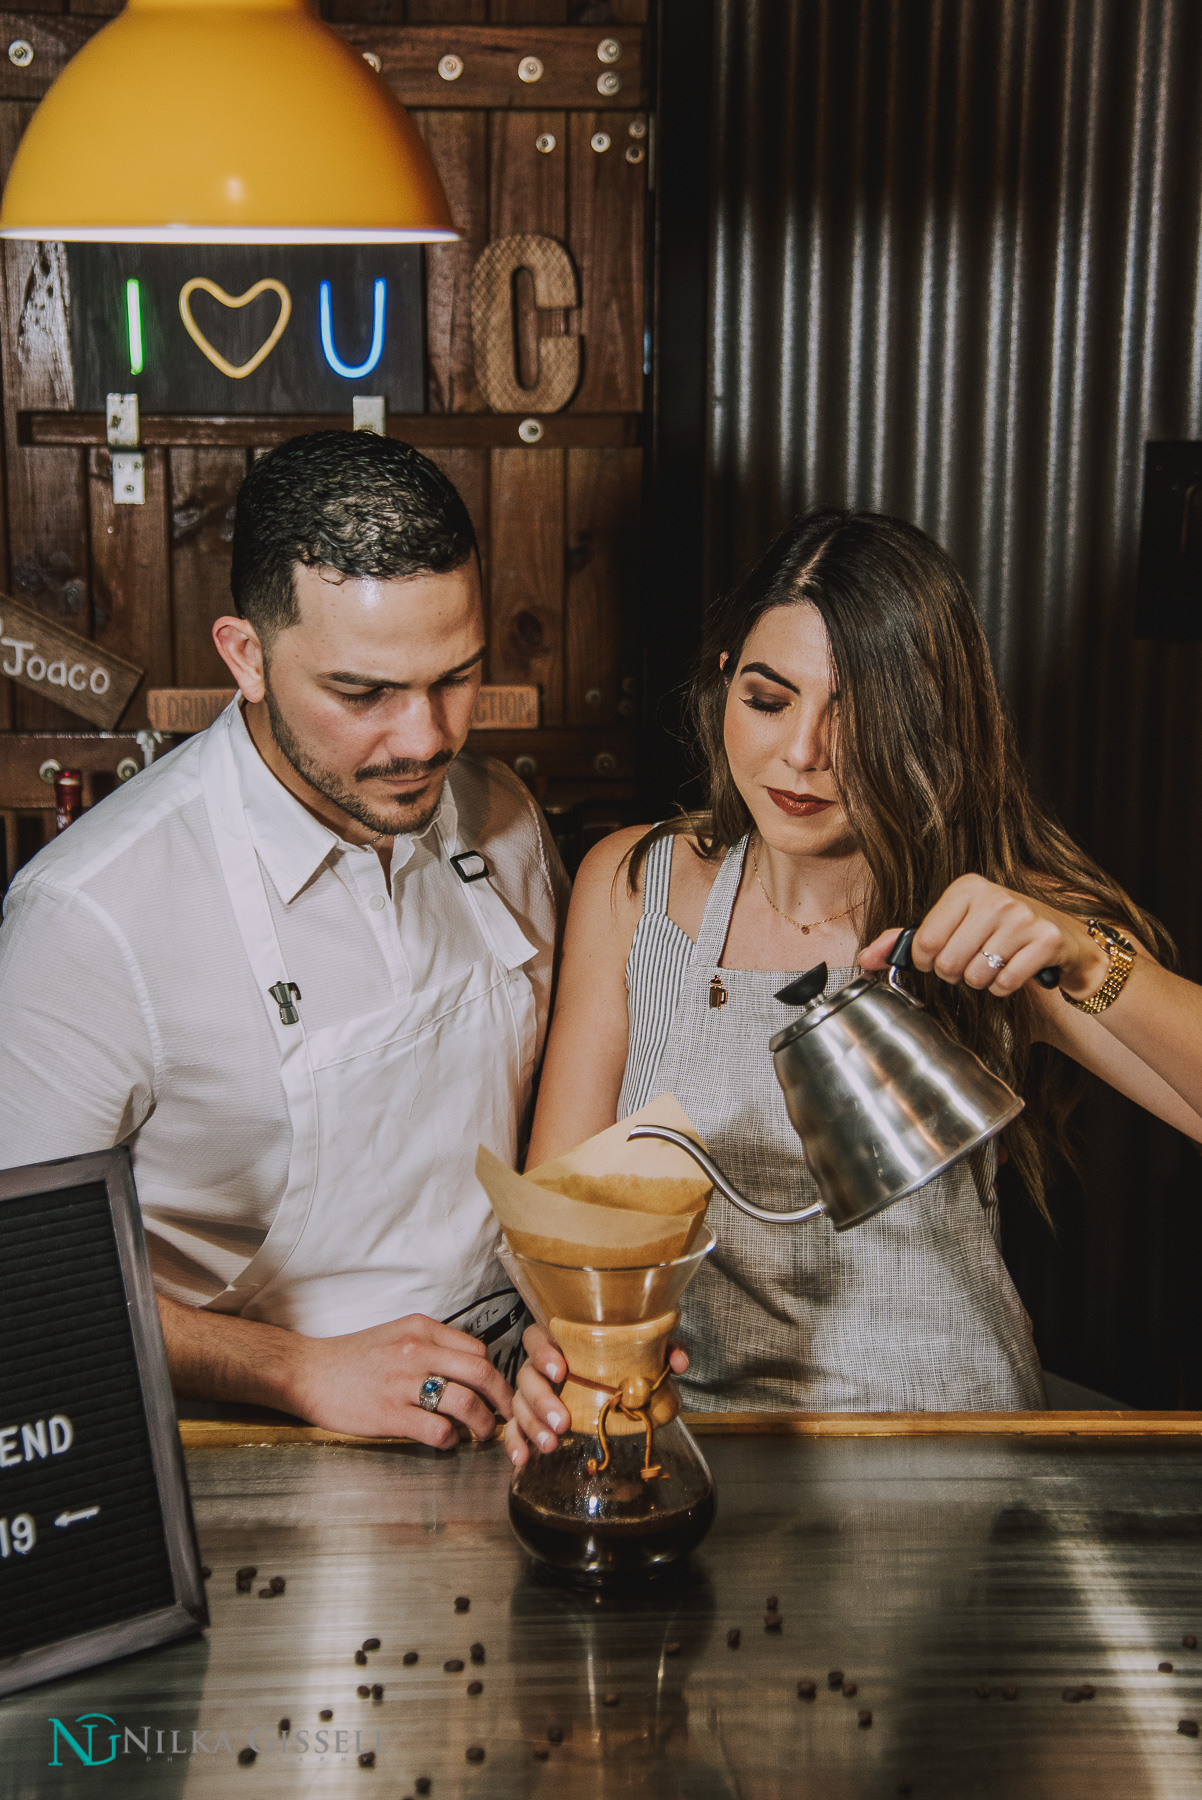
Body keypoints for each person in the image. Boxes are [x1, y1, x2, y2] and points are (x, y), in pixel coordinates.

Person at [506, 507, 1202, 1458]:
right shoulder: (636, 884)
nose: (803, 754)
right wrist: (562, 1355)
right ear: (723, 687)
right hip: (692, 1437)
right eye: (768, 700)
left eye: (859, 713)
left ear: (930, 724)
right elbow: (563, 1219)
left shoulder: (997, 915)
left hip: (943, 1436)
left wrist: (1089, 959)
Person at [0, 432, 568, 1446]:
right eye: (362, 694)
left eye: (454, 677)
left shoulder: (504, 817)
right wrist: (296, 1371)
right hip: (254, 1427)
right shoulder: (89, 918)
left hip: (515, 1391)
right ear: (246, 655)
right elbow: (23, 1272)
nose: (425, 737)